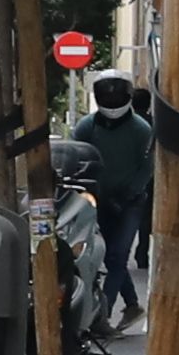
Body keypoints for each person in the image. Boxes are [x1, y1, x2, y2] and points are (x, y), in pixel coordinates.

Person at [64, 74, 153, 339]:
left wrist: (130, 193)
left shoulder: (141, 129)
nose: (112, 99)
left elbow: (147, 167)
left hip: (130, 202)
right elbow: (74, 155)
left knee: (116, 257)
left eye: (117, 93)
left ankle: (103, 315)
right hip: (97, 201)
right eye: (107, 93)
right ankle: (133, 305)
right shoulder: (86, 126)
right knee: (107, 256)